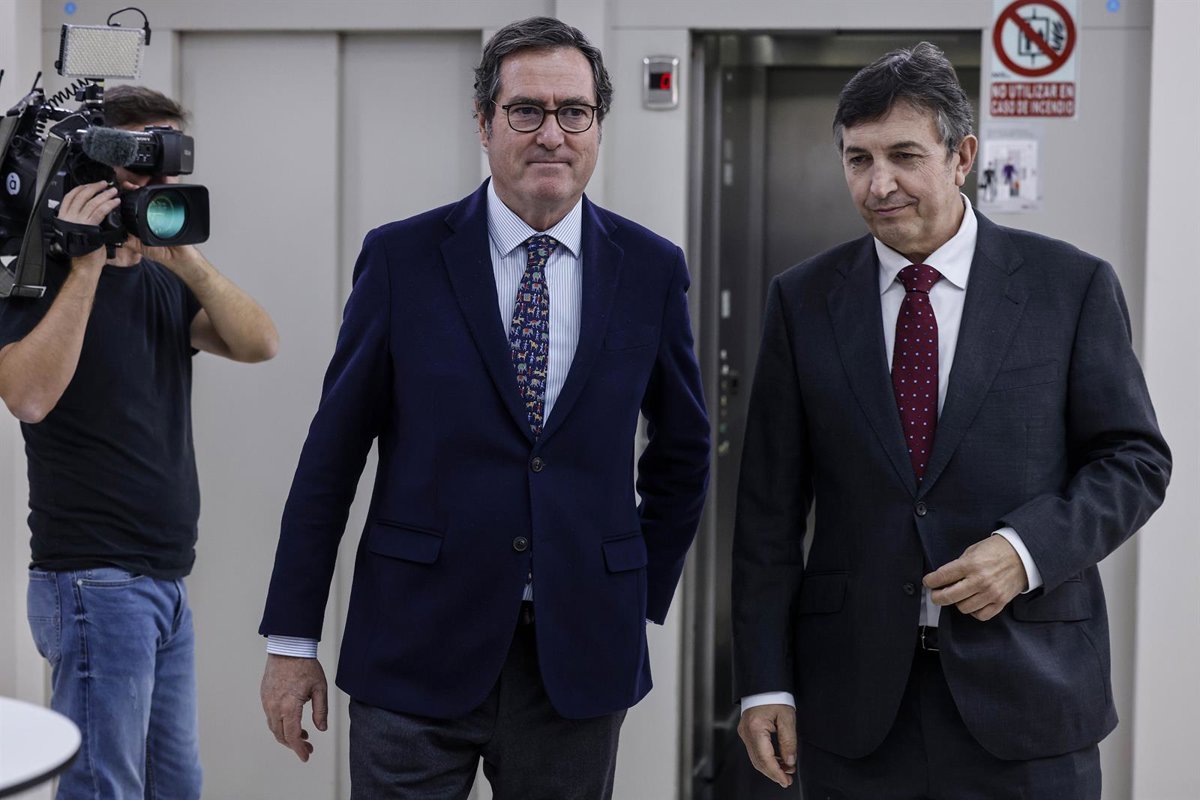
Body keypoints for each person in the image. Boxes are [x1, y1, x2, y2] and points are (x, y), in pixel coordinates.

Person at [257, 16, 709, 800]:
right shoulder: (401, 259)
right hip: (413, 645)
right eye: (526, 110)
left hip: (577, 657)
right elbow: (330, 458)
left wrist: (630, 591)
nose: (552, 134)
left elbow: (684, 453)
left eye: (575, 112)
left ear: (599, 125)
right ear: (484, 122)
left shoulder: (650, 269)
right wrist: (292, 640)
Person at [733, 42, 1170, 799]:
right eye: (858, 159)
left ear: (962, 156)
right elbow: (767, 512)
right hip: (854, 708)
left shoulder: (1070, 286)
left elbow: (1134, 460)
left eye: (904, 155)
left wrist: (1025, 551)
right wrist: (764, 682)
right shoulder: (801, 301)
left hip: (1030, 700)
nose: (879, 184)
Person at [0, 85, 279, 799]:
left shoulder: (163, 280)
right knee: (104, 788)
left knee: (174, 787)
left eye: (168, 165)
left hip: (164, 581)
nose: (156, 182)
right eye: (139, 164)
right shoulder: (35, 279)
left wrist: (183, 259)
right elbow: (28, 397)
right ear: (94, 169)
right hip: (93, 579)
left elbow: (260, 342)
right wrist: (85, 263)